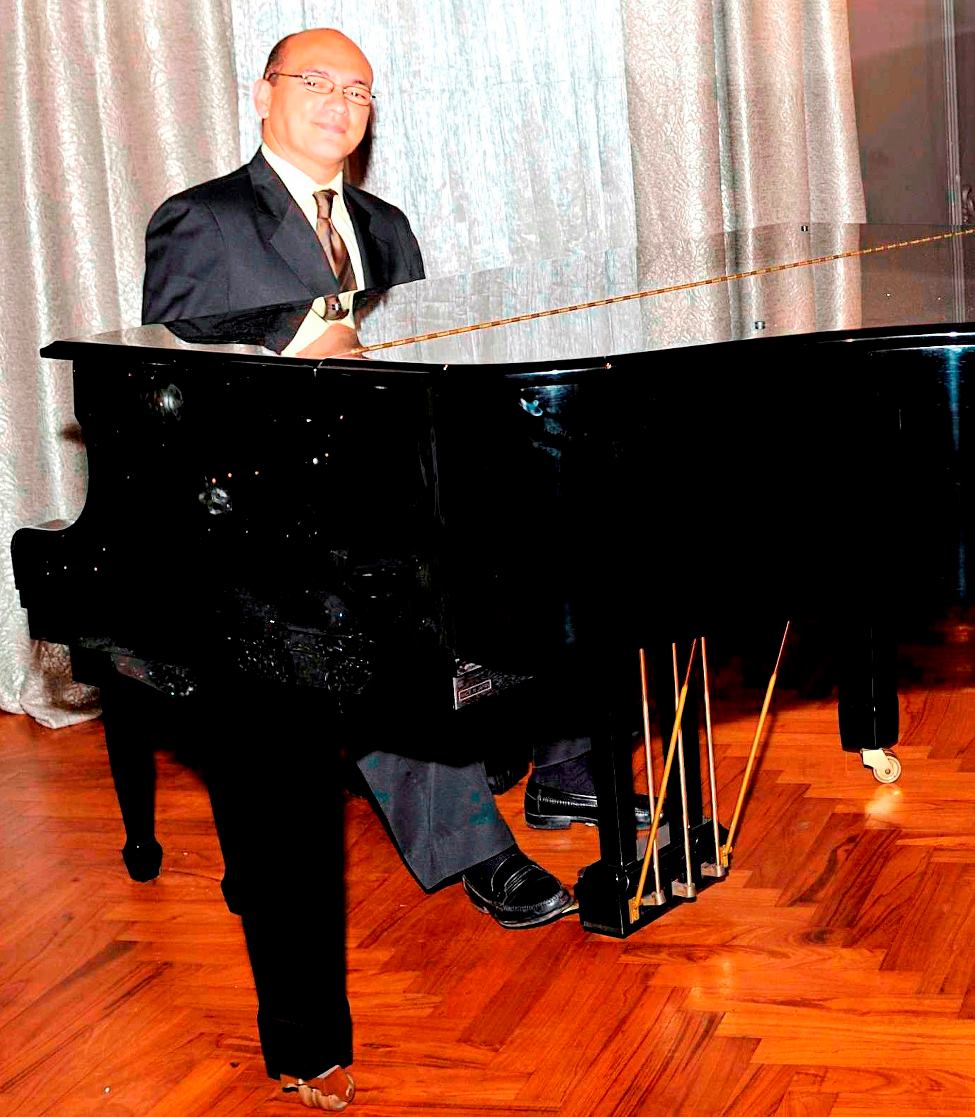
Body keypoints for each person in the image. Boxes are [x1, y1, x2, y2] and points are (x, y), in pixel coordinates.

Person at [137, 27, 629, 1107]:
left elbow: (422, 377)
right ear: (263, 95)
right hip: (262, 531)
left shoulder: (387, 227)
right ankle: (475, 850)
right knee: (372, 631)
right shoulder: (202, 218)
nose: (340, 103)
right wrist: (299, 340)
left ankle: (567, 768)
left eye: (359, 91)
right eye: (315, 82)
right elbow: (170, 388)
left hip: (388, 503)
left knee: (563, 548)